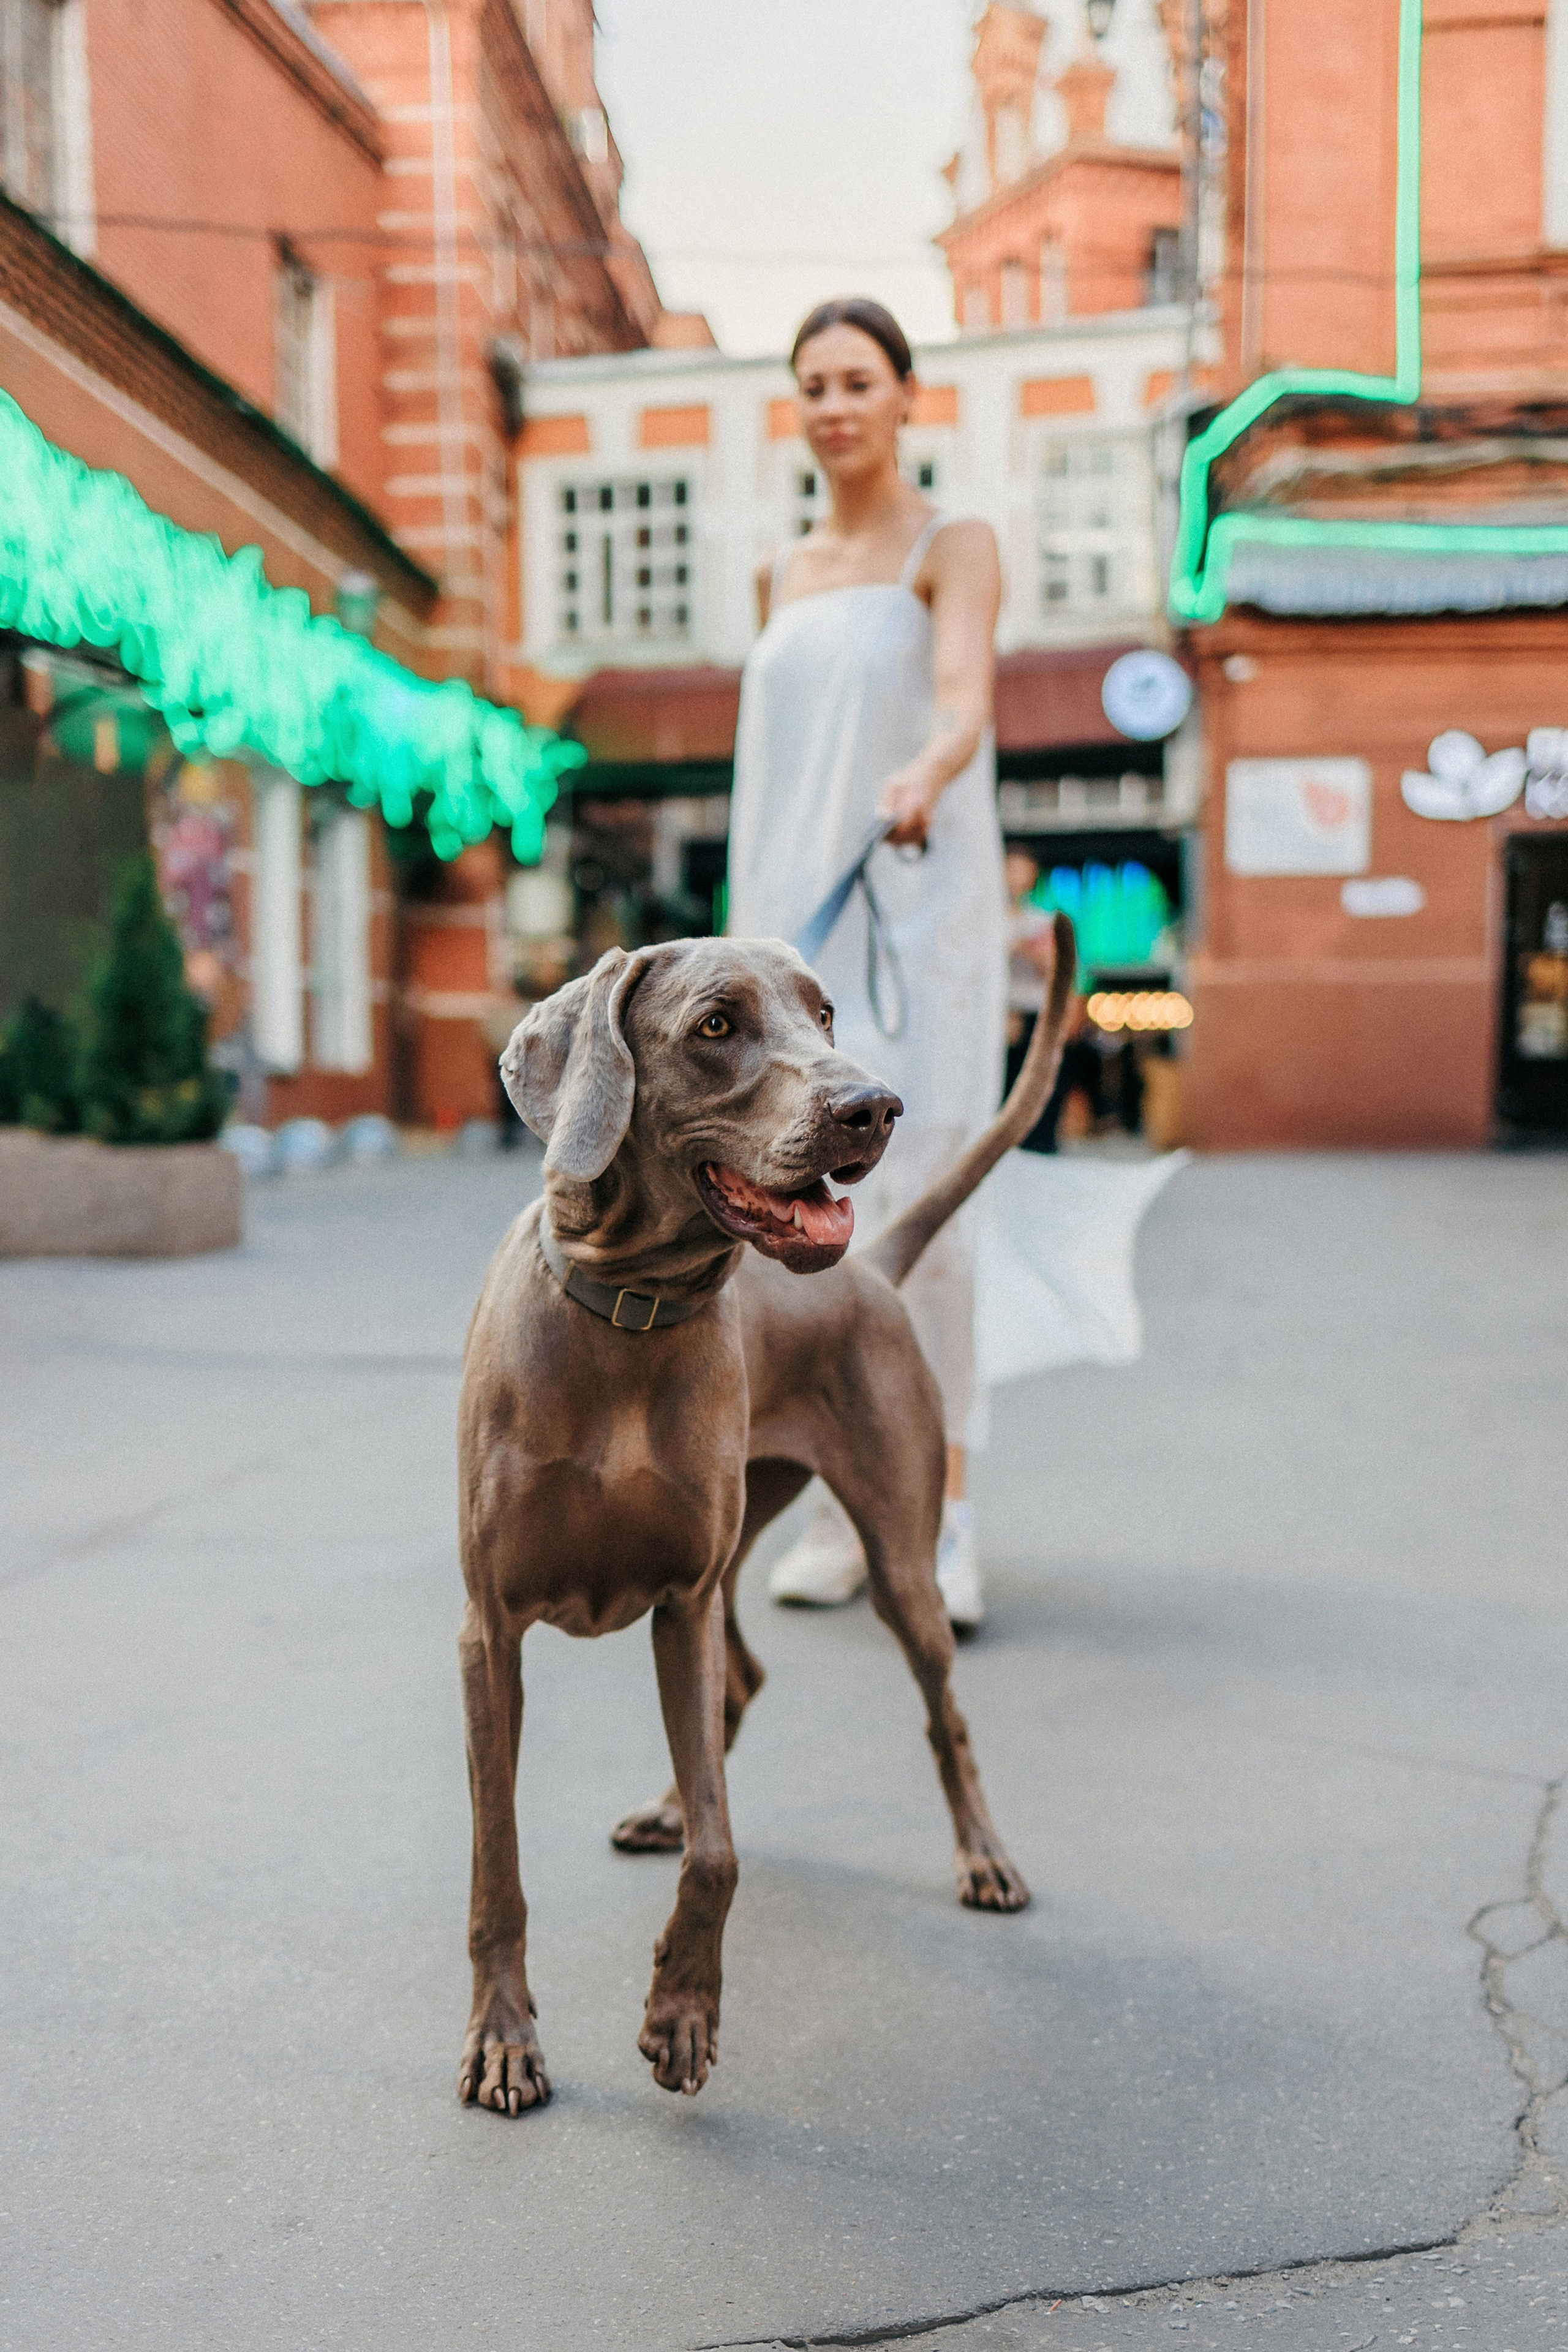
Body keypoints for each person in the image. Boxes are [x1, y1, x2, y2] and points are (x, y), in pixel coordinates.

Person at [726, 296, 1007, 1631]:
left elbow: (962, 696)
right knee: (799, 1228)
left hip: (914, 910)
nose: (833, 404)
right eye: (813, 384)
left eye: (856, 380)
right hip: (790, 935)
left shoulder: (953, 543)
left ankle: (948, 1519)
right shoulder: (777, 574)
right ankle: (847, 1513)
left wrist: (928, 770)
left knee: (926, 1223)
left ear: (905, 395)